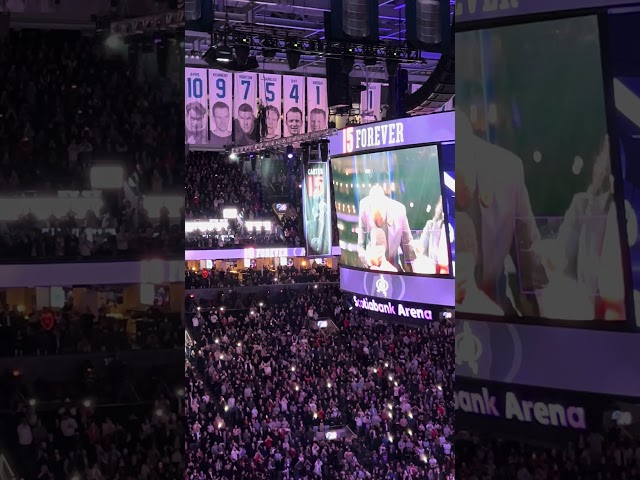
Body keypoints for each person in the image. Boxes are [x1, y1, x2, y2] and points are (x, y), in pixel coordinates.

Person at [456, 111, 544, 316]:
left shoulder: (507, 171)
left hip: (495, 314)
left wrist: (544, 331)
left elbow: (531, 267)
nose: (462, 198)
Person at [357, 184, 416, 273]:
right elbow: (360, 246)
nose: (379, 224)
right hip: (372, 269)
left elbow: (408, 247)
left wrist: (412, 276)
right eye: (375, 221)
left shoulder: (399, 211)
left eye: (380, 219)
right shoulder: (364, 207)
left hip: (392, 267)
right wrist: (368, 259)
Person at [305, 173, 331, 255]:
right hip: (319, 224)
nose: (315, 197)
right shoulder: (314, 208)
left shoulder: (323, 205)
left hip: (323, 224)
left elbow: (324, 219)